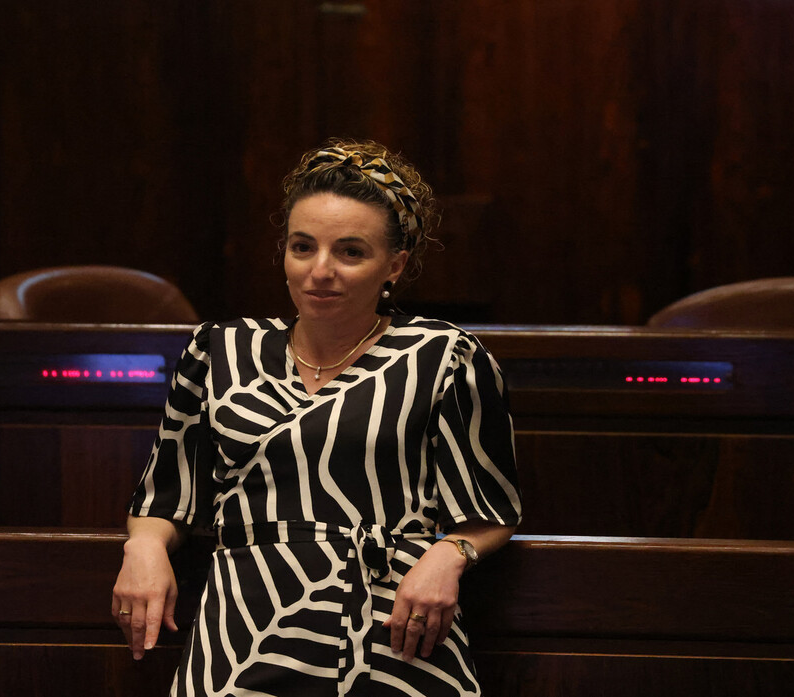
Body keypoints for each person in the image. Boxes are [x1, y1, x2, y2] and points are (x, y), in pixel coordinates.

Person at [112, 138, 522, 696]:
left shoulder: (445, 356)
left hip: (392, 628)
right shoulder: (218, 350)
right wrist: (143, 547)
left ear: (395, 265)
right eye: (302, 247)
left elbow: (492, 510)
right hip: (245, 625)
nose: (320, 270)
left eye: (350, 252)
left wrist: (450, 556)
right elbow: (166, 497)